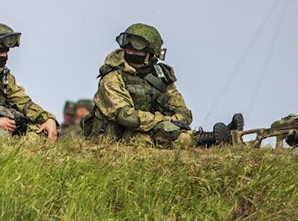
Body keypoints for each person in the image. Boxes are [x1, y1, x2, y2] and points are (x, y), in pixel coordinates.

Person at [86, 23, 241, 147]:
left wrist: (174, 121)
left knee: (169, 132)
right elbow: (126, 117)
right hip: (118, 139)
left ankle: (221, 137)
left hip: (149, 130)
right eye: (127, 45)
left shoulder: (160, 76)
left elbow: (182, 110)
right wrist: (164, 122)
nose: (130, 51)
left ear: (151, 53)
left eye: (137, 47)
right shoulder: (112, 77)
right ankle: (212, 139)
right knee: (174, 136)